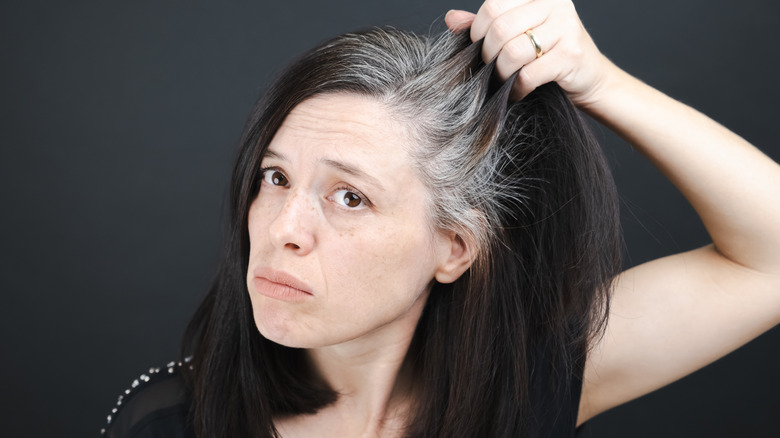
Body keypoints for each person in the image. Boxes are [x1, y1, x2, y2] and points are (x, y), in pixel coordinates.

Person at [101, 0, 780, 437]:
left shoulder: (525, 387)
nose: (284, 228)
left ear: (453, 247)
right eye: (275, 178)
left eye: (349, 197)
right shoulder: (170, 424)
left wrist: (599, 82)